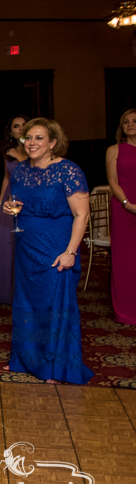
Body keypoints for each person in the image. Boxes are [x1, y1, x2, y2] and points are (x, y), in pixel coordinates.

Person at [5, 118, 92, 384]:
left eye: (39, 138)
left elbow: (82, 214)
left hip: (57, 247)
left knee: (54, 304)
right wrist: (11, 208)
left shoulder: (68, 170)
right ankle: (25, 359)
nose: (31, 143)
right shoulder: (19, 170)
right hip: (26, 247)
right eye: (28, 138)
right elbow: (16, 202)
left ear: (53, 143)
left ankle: (54, 366)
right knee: (27, 302)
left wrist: (71, 252)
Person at [0, 115, 30, 306]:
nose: (20, 129)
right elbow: (6, 177)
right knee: (6, 245)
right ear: (10, 131)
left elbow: (32, 173)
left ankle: (25, 291)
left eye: (24, 125)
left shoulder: (35, 148)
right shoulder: (8, 150)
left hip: (29, 197)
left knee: (24, 244)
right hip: (10, 198)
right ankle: (6, 291)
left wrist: (20, 157)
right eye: (16, 126)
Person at [107, 108, 136, 325]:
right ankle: (126, 310)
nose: (130, 124)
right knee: (125, 259)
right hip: (123, 206)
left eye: (135, 121)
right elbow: (113, 181)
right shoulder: (114, 150)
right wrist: (128, 204)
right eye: (126, 121)